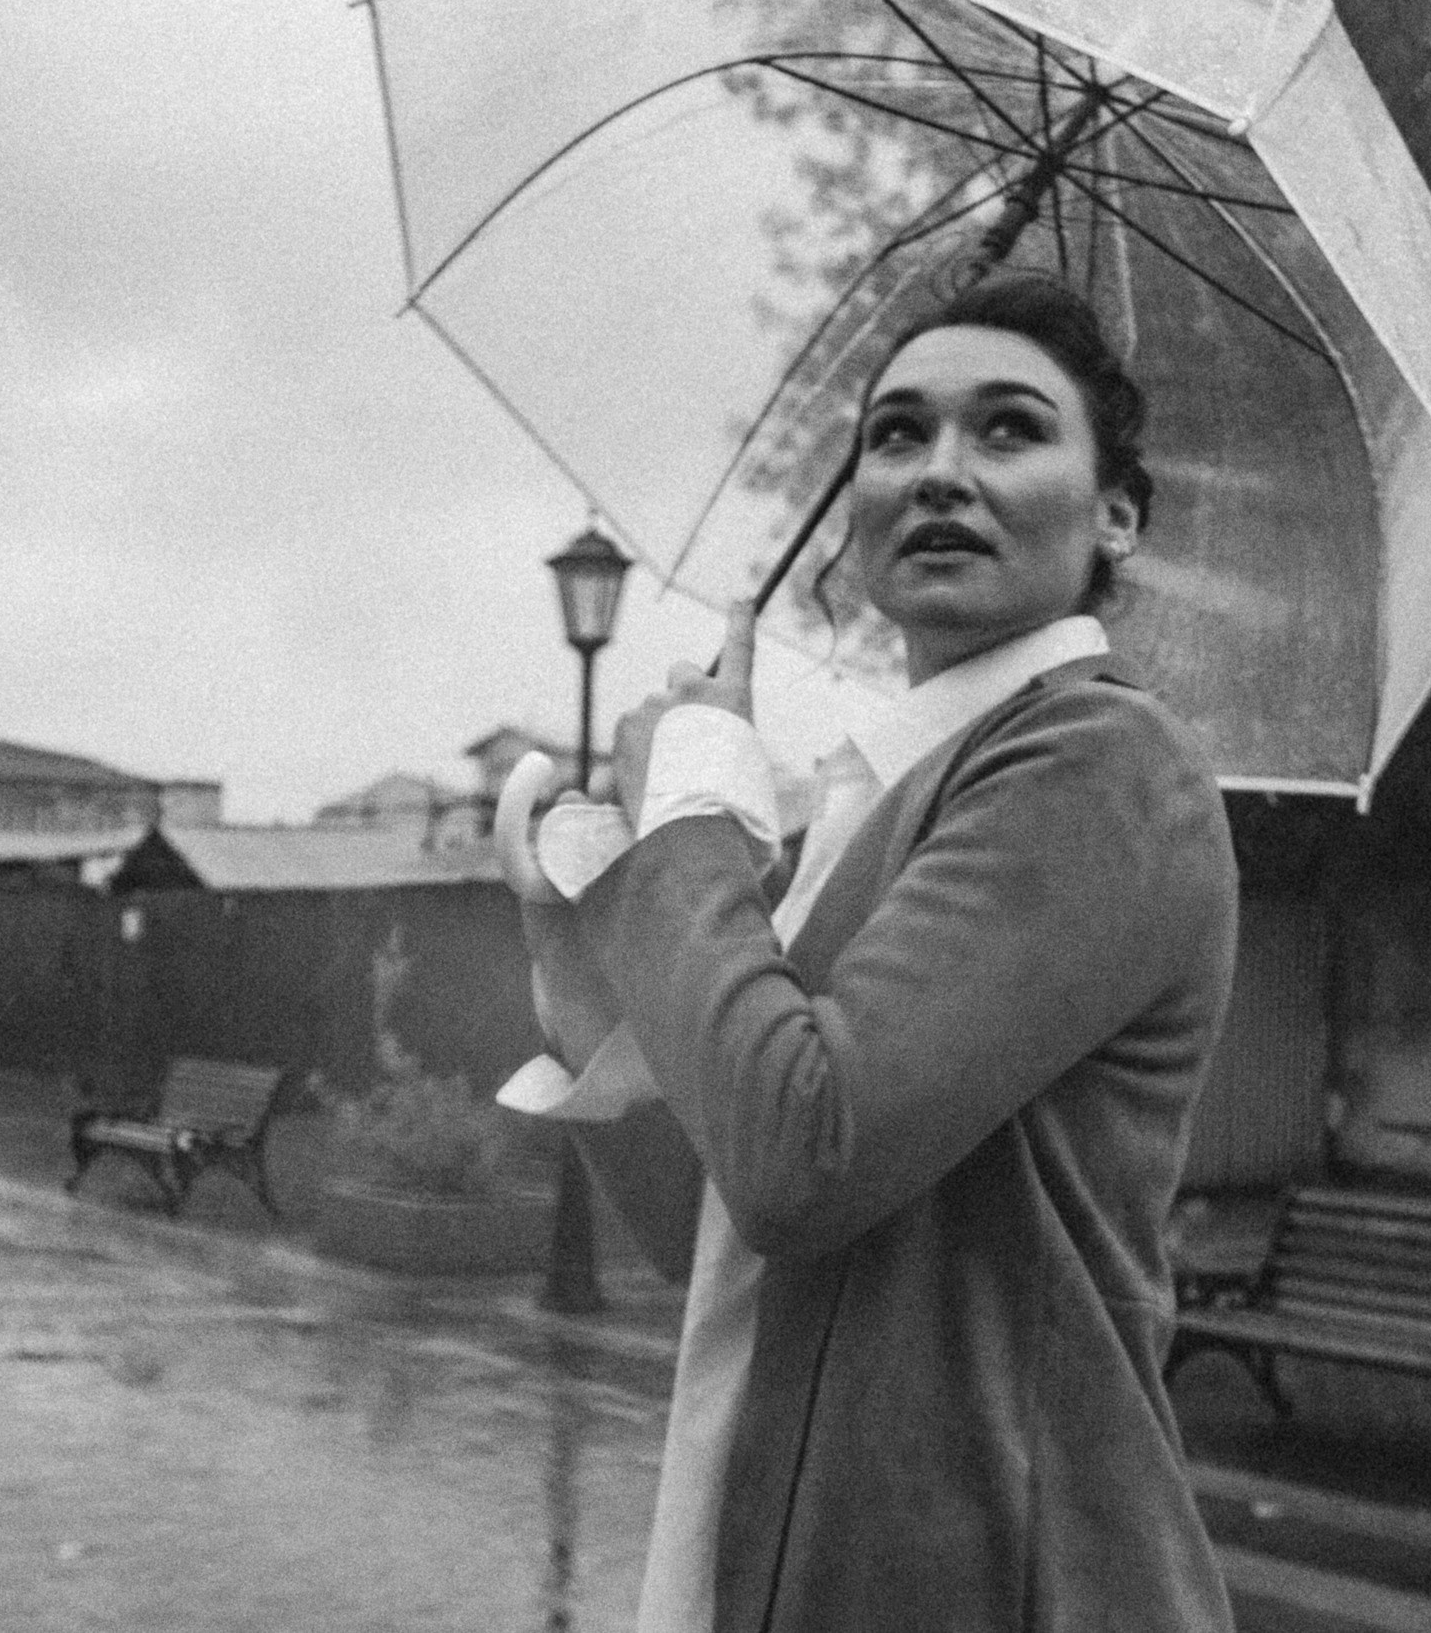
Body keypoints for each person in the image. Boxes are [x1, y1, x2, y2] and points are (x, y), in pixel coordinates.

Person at [507, 274, 1241, 1631]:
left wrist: (695, 806)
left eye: (1010, 428)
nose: (940, 469)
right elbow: (716, 1228)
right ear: (853, 509)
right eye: (898, 434)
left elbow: (801, 1158)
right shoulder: (886, 799)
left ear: (1114, 516)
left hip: (1007, 1579)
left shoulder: (1098, 761)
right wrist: (579, 964)